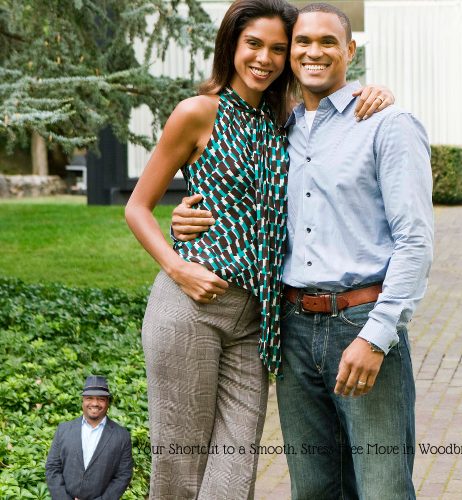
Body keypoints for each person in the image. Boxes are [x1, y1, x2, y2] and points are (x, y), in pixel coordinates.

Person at [124, 1, 395, 497]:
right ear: (231, 46)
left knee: (234, 476)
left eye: (277, 48)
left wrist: (375, 91)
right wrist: (178, 267)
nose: (265, 59)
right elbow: (138, 207)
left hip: (257, 320)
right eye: (254, 44)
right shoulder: (197, 112)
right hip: (191, 309)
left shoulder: (287, 121)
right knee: (180, 473)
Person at [45, 375, 133, 500]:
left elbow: (123, 475)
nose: (95, 403)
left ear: (108, 402)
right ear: (83, 401)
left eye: (101, 399)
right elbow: (52, 467)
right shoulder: (63, 430)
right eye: (89, 398)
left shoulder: (122, 436)